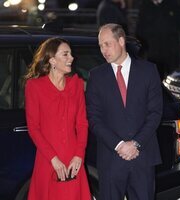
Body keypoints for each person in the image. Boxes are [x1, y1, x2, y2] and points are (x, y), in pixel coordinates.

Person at [86, 23, 163, 200]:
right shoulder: (96, 76)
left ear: (121, 41)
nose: (103, 50)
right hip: (111, 159)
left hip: (143, 158)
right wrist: (120, 145)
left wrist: (135, 143)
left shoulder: (148, 70)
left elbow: (155, 113)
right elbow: (94, 118)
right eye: (100, 45)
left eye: (107, 44)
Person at [24, 37, 91, 200]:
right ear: (52, 60)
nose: (72, 58)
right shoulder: (34, 87)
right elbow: (33, 128)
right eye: (65, 54)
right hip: (48, 159)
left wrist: (79, 155)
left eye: (71, 54)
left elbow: (82, 124)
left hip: (73, 159)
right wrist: (53, 159)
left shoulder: (76, 85)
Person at [136, 0, 180, 80]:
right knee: (155, 77)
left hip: (171, 48)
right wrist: (139, 45)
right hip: (153, 49)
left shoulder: (172, 4)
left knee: (174, 77)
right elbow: (140, 27)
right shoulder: (145, 6)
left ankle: (172, 92)